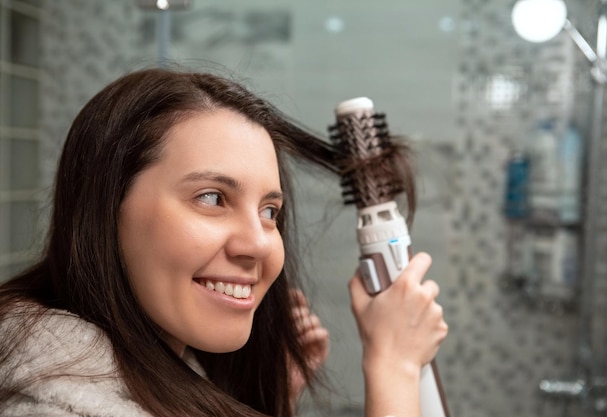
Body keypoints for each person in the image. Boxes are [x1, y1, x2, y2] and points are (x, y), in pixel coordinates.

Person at [0, 68, 447, 417]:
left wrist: (271, 400)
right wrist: (394, 368)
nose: (258, 243)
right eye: (212, 198)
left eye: (270, 211)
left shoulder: (147, 372)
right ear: (103, 210)